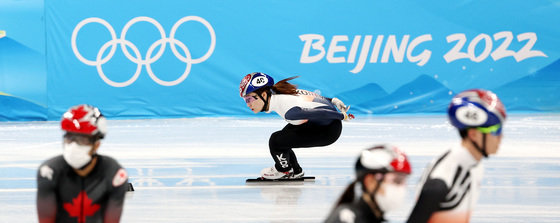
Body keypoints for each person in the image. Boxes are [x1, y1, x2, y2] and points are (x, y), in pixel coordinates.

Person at [407, 89, 506, 223]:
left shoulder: (475, 165)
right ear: (473, 134)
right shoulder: (443, 177)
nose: (501, 137)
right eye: (495, 131)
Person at [239, 72, 354, 179]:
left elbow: (320, 113)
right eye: (245, 100)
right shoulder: (280, 93)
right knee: (283, 138)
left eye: (249, 99)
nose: (248, 104)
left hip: (327, 130)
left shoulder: (289, 111)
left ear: (264, 94)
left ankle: (284, 170)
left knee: (276, 141)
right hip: (320, 122)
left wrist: (341, 116)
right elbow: (313, 97)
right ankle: (295, 170)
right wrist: (333, 100)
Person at [36, 104, 128, 223]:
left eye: (82, 140)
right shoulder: (48, 172)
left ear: (96, 145)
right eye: (69, 138)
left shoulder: (114, 174)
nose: (74, 146)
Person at [325, 144, 412, 223]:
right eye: (397, 180)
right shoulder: (347, 218)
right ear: (370, 181)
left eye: (405, 181)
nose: (402, 188)